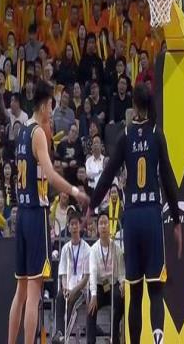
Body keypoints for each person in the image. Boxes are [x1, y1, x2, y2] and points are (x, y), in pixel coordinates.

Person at [90, 83, 182, 344]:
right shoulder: (156, 134)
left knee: (135, 292)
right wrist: (176, 219)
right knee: (156, 289)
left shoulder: (125, 135)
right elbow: (168, 179)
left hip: (131, 217)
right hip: (152, 214)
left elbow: (107, 175)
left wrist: (91, 205)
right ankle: (158, 340)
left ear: (133, 105)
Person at [7, 80, 89, 344]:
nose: (52, 111)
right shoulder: (37, 134)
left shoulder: (21, 131)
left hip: (22, 213)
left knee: (20, 292)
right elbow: (51, 175)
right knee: (34, 291)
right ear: (44, 105)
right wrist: (75, 191)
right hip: (36, 214)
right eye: (51, 105)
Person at [52, 211, 90, 343]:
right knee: (59, 297)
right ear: (68, 227)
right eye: (72, 224)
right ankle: (59, 332)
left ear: (80, 226)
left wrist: (74, 290)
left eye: (76, 224)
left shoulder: (87, 249)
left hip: (81, 289)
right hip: (67, 288)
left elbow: (86, 277)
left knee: (72, 301)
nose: (74, 227)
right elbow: (62, 273)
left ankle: (64, 337)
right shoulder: (65, 249)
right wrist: (64, 288)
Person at [87, 212, 125, 344]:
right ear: (98, 228)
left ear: (109, 226)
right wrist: (93, 294)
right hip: (99, 286)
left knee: (120, 299)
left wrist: (122, 283)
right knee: (91, 308)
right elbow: (92, 272)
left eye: (106, 223)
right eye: (101, 223)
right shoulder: (93, 250)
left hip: (113, 284)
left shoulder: (117, 249)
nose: (103, 226)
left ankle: (115, 338)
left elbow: (121, 273)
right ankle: (90, 341)